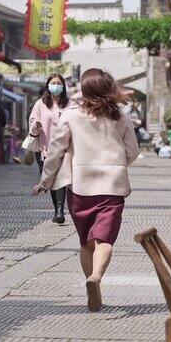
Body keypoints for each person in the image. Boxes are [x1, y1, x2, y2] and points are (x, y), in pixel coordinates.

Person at [32, 68, 140, 312]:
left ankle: (91, 280)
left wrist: (45, 182)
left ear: (84, 89)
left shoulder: (70, 115)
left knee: (86, 243)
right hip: (112, 187)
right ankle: (97, 278)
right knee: (105, 239)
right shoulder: (120, 116)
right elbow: (132, 151)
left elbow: (56, 151)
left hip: (80, 187)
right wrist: (115, 163)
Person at [29, 74, 73, 224]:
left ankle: (60, 209)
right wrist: (36, 126)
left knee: (61, 177)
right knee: (50, 179)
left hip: (65, 148)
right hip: (45, 148)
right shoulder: (41, 104)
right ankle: (57, 209)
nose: (56, 86)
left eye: (58, 83)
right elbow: (33, 120)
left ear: (63, 86)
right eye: (53, 83)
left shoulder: (70, 104)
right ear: (48, 86)